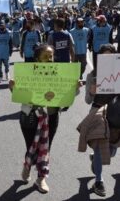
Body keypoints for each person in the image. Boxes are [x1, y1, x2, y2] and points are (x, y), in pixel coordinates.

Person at [8, 43, 78, 193]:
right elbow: (21, 95)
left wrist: (74, 89)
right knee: (31, 147)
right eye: (45, 57)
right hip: (30, 116)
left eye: (51, 56)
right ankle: (27, 166)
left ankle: (41, 179)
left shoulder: (60, 74)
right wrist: (13, 88)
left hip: (51, 116)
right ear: (37, 59)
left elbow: (65, 99)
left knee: (46, 149)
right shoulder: (27, 74)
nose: (49, 59)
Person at [81, 43, 119, 197]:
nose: (107, 58)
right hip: (97, 112)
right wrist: (91, 92)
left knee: (111, 151)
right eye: (104, 56)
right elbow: (87, 100)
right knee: (98, 148)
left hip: (116, 114)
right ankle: (99, 180)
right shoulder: (92, 75)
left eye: (111, 55)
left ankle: (95, 162)